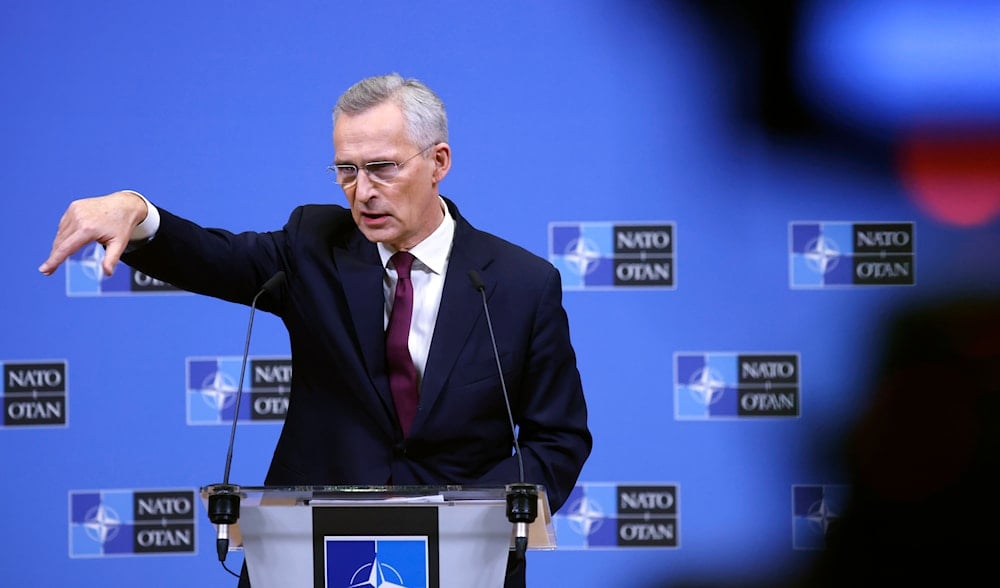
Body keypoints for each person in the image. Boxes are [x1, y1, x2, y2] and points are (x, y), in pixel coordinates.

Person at [39, 73, 592, 587]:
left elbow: (557, 438)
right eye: (346, 171)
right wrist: (137, 211)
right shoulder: (312, 244)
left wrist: (466, 517)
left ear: (438, 161)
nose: (362, 191)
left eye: (382, 167)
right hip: (310, 556)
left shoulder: (520, 283)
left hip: (462, 563)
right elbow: (213, 257)